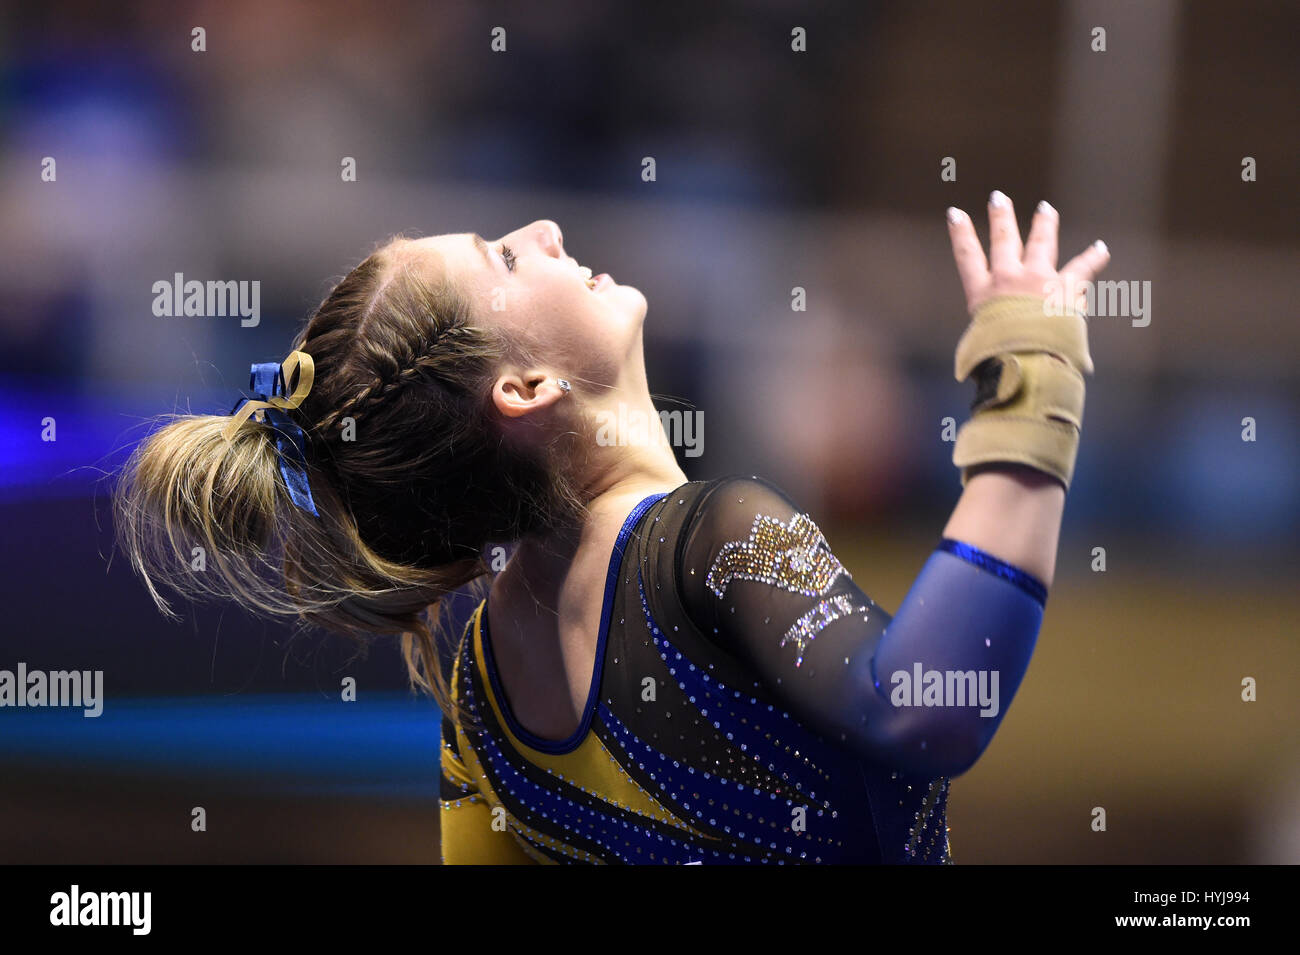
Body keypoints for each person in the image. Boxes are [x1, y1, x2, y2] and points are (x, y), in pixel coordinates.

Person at [114, 193, 1109, 864]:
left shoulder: (480, 684)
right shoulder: (709, 541)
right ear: (524, 386)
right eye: (505, 257)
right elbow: (923, 710)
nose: (545, 228)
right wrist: (1031, 391)